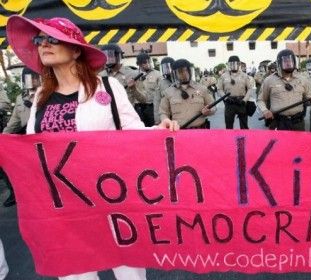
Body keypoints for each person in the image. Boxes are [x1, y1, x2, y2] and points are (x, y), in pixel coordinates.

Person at [6, 15, 178, 280]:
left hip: (111, 197)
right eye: (39, 39)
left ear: (76, 50)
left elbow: (131, 132)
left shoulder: (108, 87)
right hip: (63, 205)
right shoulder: (41, 95)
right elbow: (33, 148)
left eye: (53, 39)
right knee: (76, 274)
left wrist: (160, 129)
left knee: (128, 271)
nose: (44, 44)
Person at [1, 67, 41, 208]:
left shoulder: (47, 93)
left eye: (34, 77)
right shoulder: (20, 98)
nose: (32, 81)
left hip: (44, 140)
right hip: (26, 140)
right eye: (28, 78)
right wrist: (2, 139)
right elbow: (14, 123)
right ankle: (16, 193)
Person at [257, 49, 311, 131]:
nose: (289, 63)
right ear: (279, 63)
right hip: (278, 122)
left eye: (291, 61)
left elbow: (308, 98)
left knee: (298, 144)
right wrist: (265, 111)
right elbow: (261, 100)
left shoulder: (303, 80)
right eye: (285, 61)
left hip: (298, 123)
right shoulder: (269, 80)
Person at [159, 59, 215, 129]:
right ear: (175, 73)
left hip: (200, 131)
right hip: (179, 131)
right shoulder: (168, 92)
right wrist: (165, 120)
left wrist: (209, 111)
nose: (184, 73)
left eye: (186, 70)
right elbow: (163, 112)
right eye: (180, 71)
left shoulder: (202, 88)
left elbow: (213, 106)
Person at [217, 55, 254, 129]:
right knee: (229, 126)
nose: (233, 66)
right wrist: (226, 98)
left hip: (241, 102)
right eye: (231, 64)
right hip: (229, 103)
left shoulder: (244, 75)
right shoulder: (223, 76)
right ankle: (229, 139)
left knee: (244, 126)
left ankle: (244, 139)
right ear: (228, 65)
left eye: (235, 64)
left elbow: (250, 89)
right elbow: (219, 89)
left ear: (239, 64)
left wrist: (244, 100)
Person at [134, 52, 162, 126]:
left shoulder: (157, 74)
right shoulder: (134, 75)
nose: (147, 64)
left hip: (151, 107)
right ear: (139, 64)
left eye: (148, 61)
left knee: (153, 129)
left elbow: (162, 92)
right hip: (138, 107)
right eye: (144, 62)